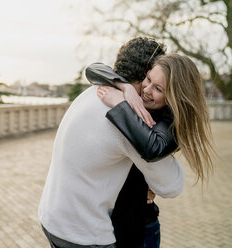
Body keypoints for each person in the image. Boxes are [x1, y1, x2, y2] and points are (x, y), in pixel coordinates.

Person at [38, 37, 185, 248]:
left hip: (52, 219)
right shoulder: (127, 118)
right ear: (146, 74)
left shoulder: (91, 93)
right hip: (85, 236)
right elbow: (172, 185)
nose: (148, 89)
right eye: (150, 79)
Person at [86, 53, 214, 248]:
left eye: (158, 89)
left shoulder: (172, 122)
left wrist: (120, 104)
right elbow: (93, 69)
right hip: (112, 224)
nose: (146, 89)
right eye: (148, 79)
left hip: (140, 229)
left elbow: (153, 147)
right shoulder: (138, 96)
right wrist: (126, 87)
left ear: (174, 97)